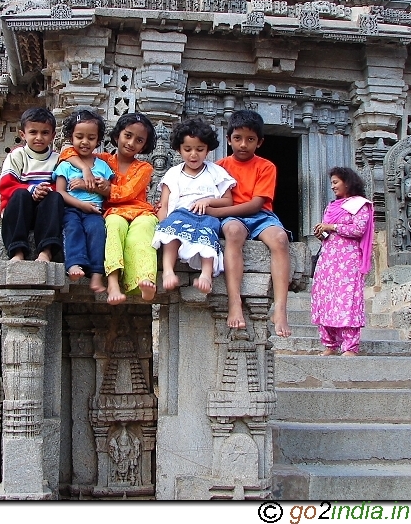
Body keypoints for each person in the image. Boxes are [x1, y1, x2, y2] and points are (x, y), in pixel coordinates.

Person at [208, 109, 292, 333]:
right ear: (228, 139)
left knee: (281, 239)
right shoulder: (219, 167)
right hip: (232, 216)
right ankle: (235, 302)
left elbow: (256, 204)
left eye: (250, 139)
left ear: (260, 142)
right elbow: (215, 198)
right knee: (234, 233)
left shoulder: (266, 167)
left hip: (260, 215)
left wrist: (216, 213)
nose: (243, 144)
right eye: (238, 138)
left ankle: (281, 308)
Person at [61, 113, 159, 304]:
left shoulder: (144, 168)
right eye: (127, 135)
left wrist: (99, 187)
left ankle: (145, 280)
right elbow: (67, 153)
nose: (131, 143)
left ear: (144, 145)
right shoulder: (102, 160)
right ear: (116, 136)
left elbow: (128, 193)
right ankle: (113, 282)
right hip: (113, 212)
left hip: (141, 212)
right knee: (113, 227)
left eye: (139, 140)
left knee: (144, 233)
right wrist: (86, 169)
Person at [152, 118, 235, 294]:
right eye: (187, 149)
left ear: (208, 150)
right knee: (170, 234)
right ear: (179, 149)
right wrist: (163, 223)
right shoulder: (173, 173)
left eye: (200, 149)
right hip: (180, 214)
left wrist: (208, 201)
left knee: (208, 236)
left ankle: (206, 274)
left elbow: (228, 201)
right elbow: (165, 203)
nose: (193, 155)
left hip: (207, 216)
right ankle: (168, 271)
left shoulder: (216, 172)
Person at [310, 167, 374, 356]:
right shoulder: (332, 206)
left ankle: (350, 346)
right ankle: (330, 344)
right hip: (329, 258)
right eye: (332, 183)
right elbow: (329, 232)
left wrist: (332, 226)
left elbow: (358, 230)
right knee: (325, 298)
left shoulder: (360, 205)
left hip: (348, 259)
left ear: (348, 182)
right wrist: (322, 233)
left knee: (347, 300)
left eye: (336, 182)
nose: (333, 187)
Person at [53, 109, 113, 293]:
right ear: (71, 137)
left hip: (95, 211)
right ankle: (74, 264)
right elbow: (60, 192)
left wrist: (93, 187)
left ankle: (96, 274)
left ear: (98, 140)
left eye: (91, 138)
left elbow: (109, 191)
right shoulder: (65, 165)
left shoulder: (103, 166)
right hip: (72, 208)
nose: (85, 142)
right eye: (79, 136)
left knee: (97, 231)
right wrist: (81, 205)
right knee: (73, 228)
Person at [0, 107, 64, 262]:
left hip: (45, 213)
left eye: (45, 133)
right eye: (33, 132)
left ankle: (46, 251)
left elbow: (62, 186)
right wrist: (31, 190)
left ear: (53, 136)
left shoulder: (58, 159)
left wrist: (46, 190)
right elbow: (6, 186)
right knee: (20, 195)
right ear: (23, 135)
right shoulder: (16, 156)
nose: (39, 137)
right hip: (19, 212)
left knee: (55, 197)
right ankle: (17, 251)